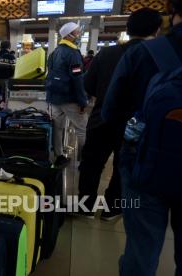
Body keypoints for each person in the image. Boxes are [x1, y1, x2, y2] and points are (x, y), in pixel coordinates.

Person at [102, 1, 182, 275]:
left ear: (171, 15)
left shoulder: (141, 54)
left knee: (141, 247)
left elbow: (110, 109)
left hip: (144, 163)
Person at [78, 8, 163, 220]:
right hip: (136, 125)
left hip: (102, 119)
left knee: (91, 164)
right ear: (157, 30)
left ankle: (85, 206)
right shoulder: (159, 57)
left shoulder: (107, 53)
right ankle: (112, 209)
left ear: (128, 28)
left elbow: (88, 85)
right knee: (123, 168)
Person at [46, 22, 88, 167]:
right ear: (69, 35)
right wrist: (83, 101)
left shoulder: (54, 53)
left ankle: (59, 156)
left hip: (54, 98)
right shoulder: (73, 53)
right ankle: (84, 161)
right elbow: (77, 78)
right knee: (82, 129)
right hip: (70, 99)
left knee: (57, 128)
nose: (78, 34)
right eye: (77, 32)